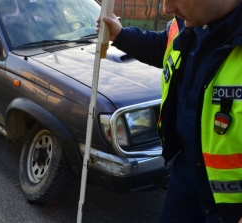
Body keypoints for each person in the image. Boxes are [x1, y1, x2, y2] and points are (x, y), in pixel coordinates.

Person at [97, 0, 242, 222]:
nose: (167, 9)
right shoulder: (186, 23)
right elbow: (163, 47)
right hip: (185, 170)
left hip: (232, 200)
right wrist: (121, 35)